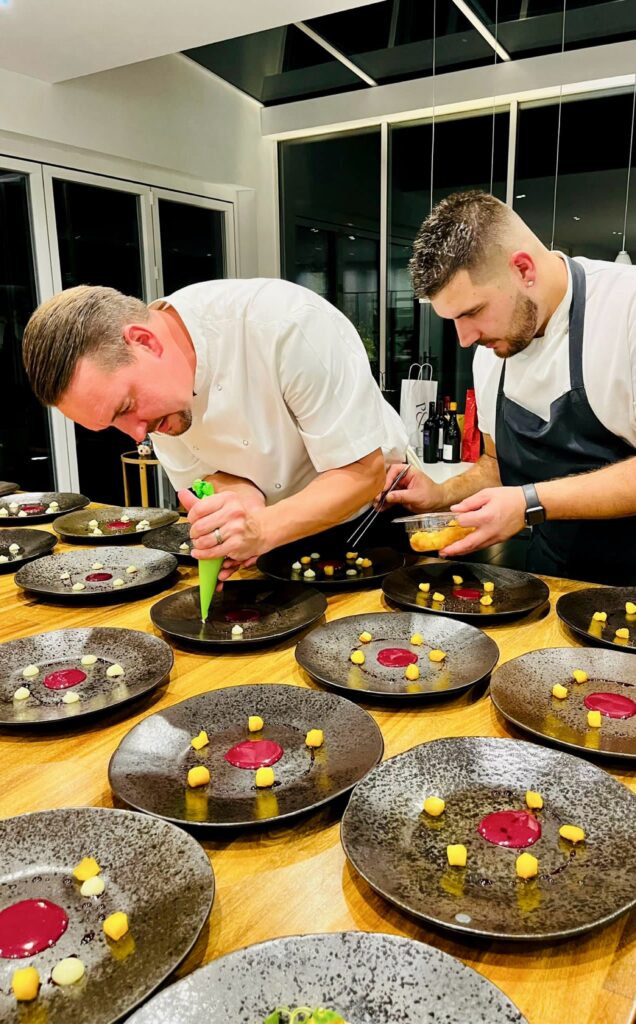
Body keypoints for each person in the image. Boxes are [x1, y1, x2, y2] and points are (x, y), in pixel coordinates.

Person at [22, 278, 409, 577]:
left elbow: (363, 473)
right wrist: (238, 506)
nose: (138, 434)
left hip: (371, 522)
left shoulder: (286, 324)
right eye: (114, 424)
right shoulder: (158, 406)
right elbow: (207, 478)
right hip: (272, 541)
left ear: (145, 342)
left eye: (127, 407)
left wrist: (261, 526)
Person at [382, 189, 636, 584]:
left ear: (523, 269)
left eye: (473, 312)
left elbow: (525, 496)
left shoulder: (626, 309)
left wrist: (530, 502)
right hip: (554, 577)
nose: (464, 339)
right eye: (452, 320)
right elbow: (496, 465)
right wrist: (440, 494)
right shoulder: (491, 352)